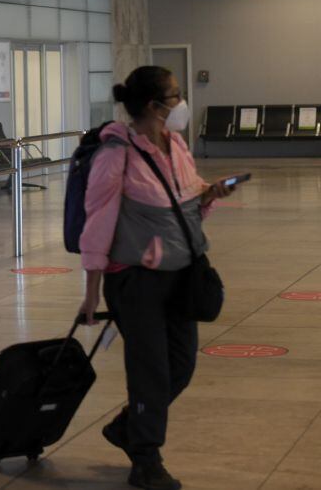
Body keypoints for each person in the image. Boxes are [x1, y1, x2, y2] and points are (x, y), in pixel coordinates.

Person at [78, 66, 235, 490]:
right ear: (153, 105)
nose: (181, 101)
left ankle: (128, 427)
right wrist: (91, 292)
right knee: (150, 371)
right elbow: (97, 222)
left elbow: (185, 197)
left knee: (180, 366)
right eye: (175, 94)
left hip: (182, 274)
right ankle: (146, 459)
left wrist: (209, 193)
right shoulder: (116, 154)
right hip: (135, 279)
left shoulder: (177, 144)